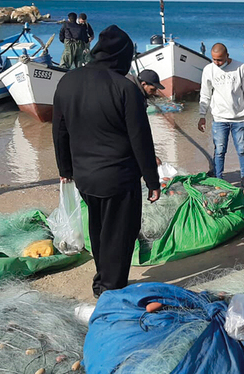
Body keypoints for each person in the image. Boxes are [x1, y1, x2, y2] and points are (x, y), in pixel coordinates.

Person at [53, 25, 161, 298]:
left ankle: (102, 280)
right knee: (121, 234)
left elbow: (59, 130)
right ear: (123, 56)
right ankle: (111, 289)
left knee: (99, 229)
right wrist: (152, 180)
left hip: (85, 175)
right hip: (119, 176)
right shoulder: (125, 88)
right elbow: (141, 138)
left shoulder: (68, 81)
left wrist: (65, 169)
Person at [197, 43, 244, 189]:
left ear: (227, 56)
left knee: (242, 149)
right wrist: (202, 115)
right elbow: (205, 94)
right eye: (214, 59)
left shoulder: (240, 68)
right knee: (220, 150)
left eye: (220, 60)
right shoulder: (209, 70)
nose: (217, 63)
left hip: (239, 118)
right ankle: (219, 179)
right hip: (219, 119)